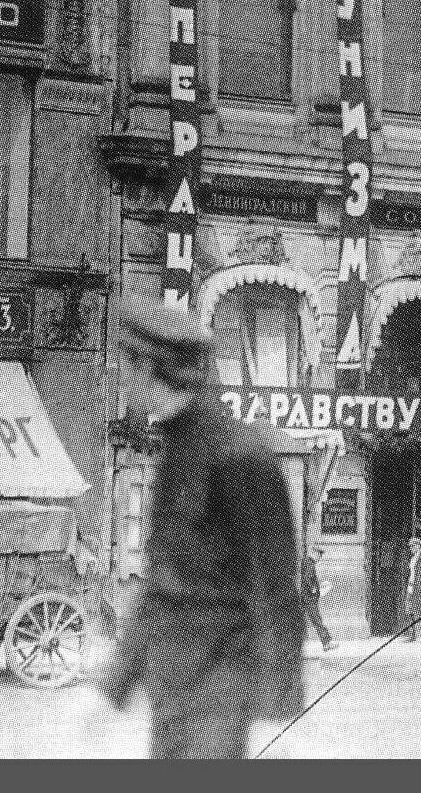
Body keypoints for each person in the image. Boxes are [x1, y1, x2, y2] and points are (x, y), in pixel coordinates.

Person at [98, 302, 305, 759]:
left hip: (220, 685)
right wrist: (114, 686)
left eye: (126, 363)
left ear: (148, 368)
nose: (120, 376)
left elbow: (272, 581)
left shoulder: (240, 453)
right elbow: (163, 585)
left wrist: (279, 710)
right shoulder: (174, 449)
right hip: (172, 686)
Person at [298, 547, 336, 653]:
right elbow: (308, 577)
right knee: (317, 620)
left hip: (305, 597)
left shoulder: (306, 562)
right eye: (319, 555)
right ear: (314, 554)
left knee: (312, 620)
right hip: (309, 599)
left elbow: (308, 578)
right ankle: (327, 643)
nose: (319, 558)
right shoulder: (310, 563)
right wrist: (314, 589)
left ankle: (326, 643)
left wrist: (317, 586)